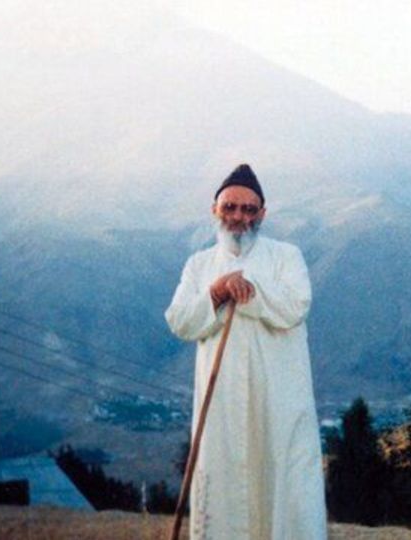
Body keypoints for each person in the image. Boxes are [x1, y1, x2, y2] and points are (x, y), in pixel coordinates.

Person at [164, 164, 327, 539]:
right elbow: (180, 321)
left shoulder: (286, 257)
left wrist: (246, 289)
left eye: (249, 209)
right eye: (230, 207)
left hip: (278, 401)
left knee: (283, 481)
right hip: (220, 404)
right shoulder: (199, 265)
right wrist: (217, 291)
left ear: (262, 214)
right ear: (215, 210)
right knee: (222, 484)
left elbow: (295, 306)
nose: (239, 217)